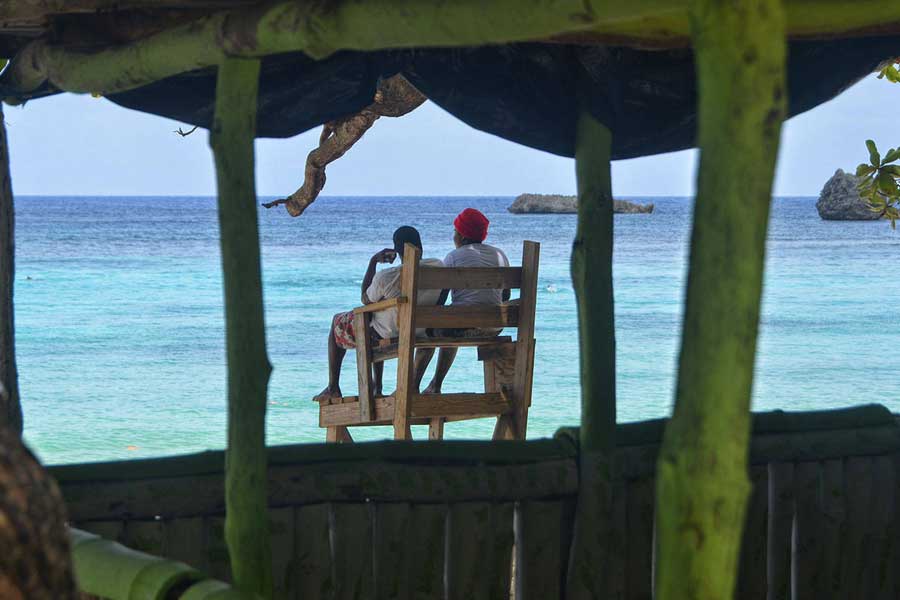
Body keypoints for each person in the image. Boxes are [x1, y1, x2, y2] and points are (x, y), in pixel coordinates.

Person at [314, 226, 443, 402]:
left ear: (397, 250)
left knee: (340, 320)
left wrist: (373, 261)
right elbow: (441, 300)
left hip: (389, 333)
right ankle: (377, 386)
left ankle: (333, 387)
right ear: (421, 245)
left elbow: (365, 298)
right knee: (377, 314)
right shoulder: (438, 266)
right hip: (420, 330)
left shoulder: (388, 276)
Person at [415, 208, 510, 394]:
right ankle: (435, 384)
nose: (454, 236)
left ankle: (415, 386)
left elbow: (441, 299)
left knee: (436, 328)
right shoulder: (500, 255)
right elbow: (504, 297)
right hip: (494, 327)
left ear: (462, 235)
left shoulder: (453, 257)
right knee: (454, 321)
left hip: (461, 326)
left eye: (455, 232)